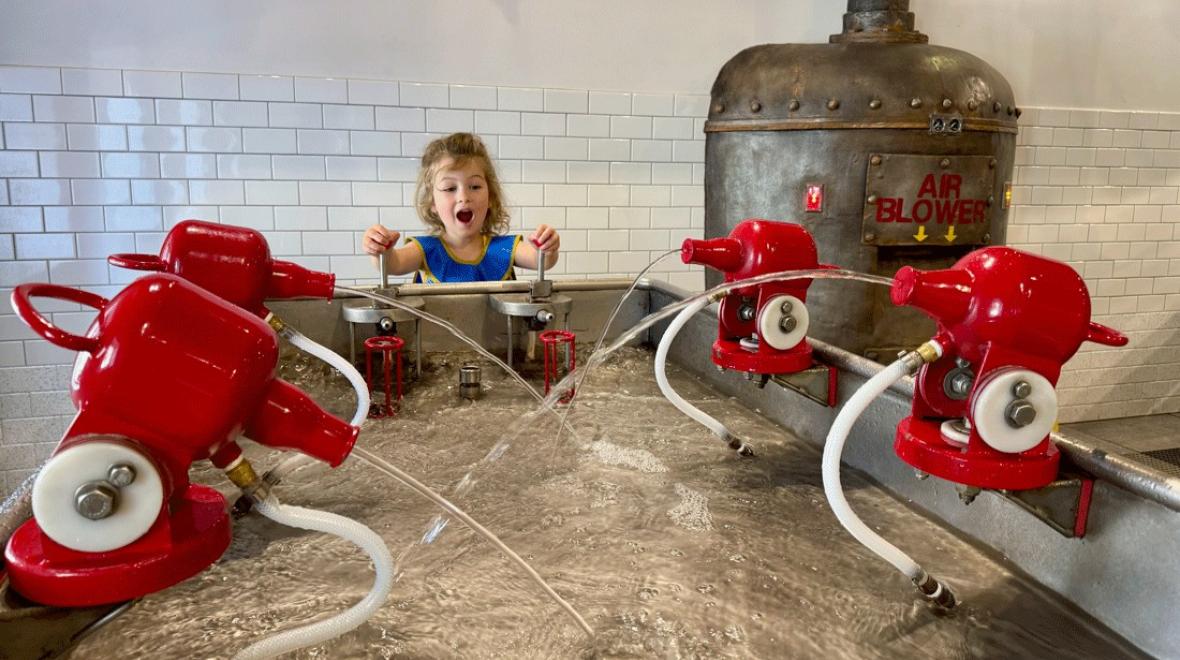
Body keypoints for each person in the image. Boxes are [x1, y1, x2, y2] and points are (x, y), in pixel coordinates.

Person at [362, 132, 559, 283]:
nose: (463, 197)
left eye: (474, 186)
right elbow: (392, 264)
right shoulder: (426, 250)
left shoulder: (503, 249)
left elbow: (542, 260)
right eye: (450, 188)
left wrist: (546, 248)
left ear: (490, 196)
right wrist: (381, 249)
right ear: (433, 204)